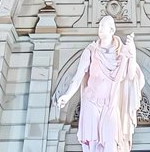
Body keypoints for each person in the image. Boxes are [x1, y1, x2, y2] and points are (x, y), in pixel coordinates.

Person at [57, 15, 145, 151]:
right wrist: (67, 96)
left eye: (103, 26)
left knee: (112, 143)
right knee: (93, 145)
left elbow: (131, 75)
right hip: (92, 103)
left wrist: (132, 53)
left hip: (111, 105)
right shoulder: (91, 51)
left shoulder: (122, 53)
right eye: (99, 25)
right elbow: (78, 77)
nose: (100, 28)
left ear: (112, 30)